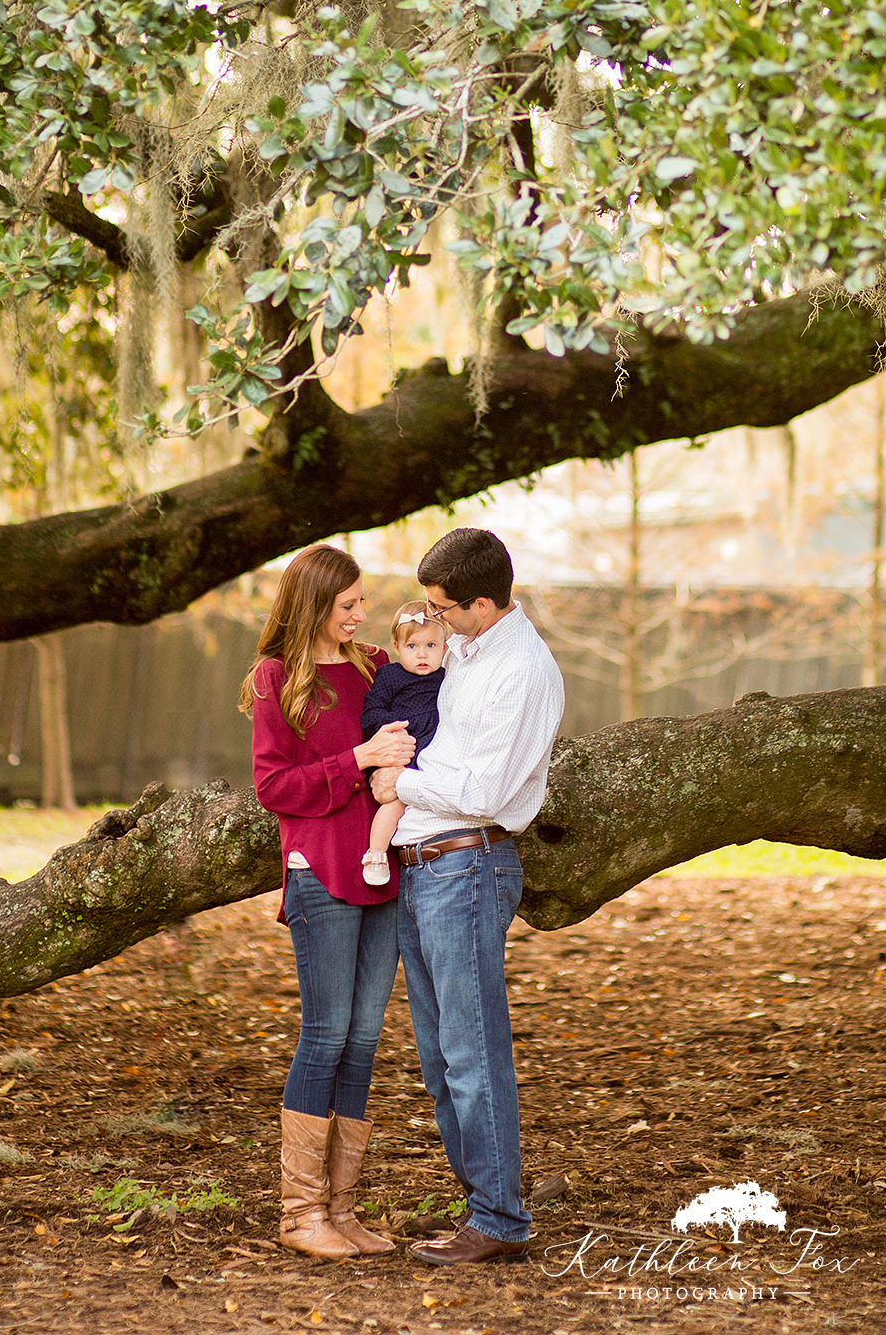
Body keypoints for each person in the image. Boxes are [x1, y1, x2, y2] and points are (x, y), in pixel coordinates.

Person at [370, 528, 564, 1268]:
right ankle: (486, 1202)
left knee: (472, 1051)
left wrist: (400, 784)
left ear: (483, 603)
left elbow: (485, 793)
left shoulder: (521, 671)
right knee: (438, 1055)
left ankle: (500, 1222)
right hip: (422, 866)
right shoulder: (468, 653)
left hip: (467, 867)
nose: (433, 619)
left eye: (443, 608)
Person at [245, 544, 415, 1261]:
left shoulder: (378, 663)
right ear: (314, 605)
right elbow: (274, 787)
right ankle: (299, 1214)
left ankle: (340, 1212)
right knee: (327, 1033)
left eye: (361, 602)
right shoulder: (276, 679)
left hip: (383, 870)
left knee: (366, 1039)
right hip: (321, 869)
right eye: (346, 604)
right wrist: (359, 761)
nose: (359, 614)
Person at [358, 603, 447, 885]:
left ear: (445, 647)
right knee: (396, 803)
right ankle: (375, 854)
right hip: (399, 752)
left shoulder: (446, 679)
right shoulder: (391, 676)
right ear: (396, 646)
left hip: (431, 756)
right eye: (412, 646)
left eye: (431, 645)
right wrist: (392, 728)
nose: (422, 654)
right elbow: (371, 712)